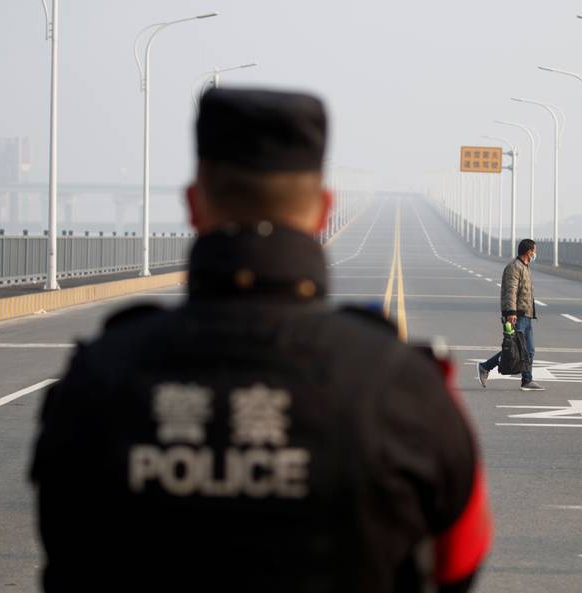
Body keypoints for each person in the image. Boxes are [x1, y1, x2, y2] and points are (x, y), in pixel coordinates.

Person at [30, 88, 492, 593]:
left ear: (193, 204)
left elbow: (63, 548)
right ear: (324, 211)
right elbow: (458, 565)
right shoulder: (405, 389)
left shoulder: (98, 380)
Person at [477, 238, 543, 391]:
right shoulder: (514, 268)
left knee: (528, 350)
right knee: (516, 349)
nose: (535, 253)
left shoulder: (525, 267)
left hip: (526, 315)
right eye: (534, 250)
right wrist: (511, 312)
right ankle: (485, 367)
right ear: (529, 251)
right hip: (517, 315)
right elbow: (510, 291)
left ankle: (527, 379)